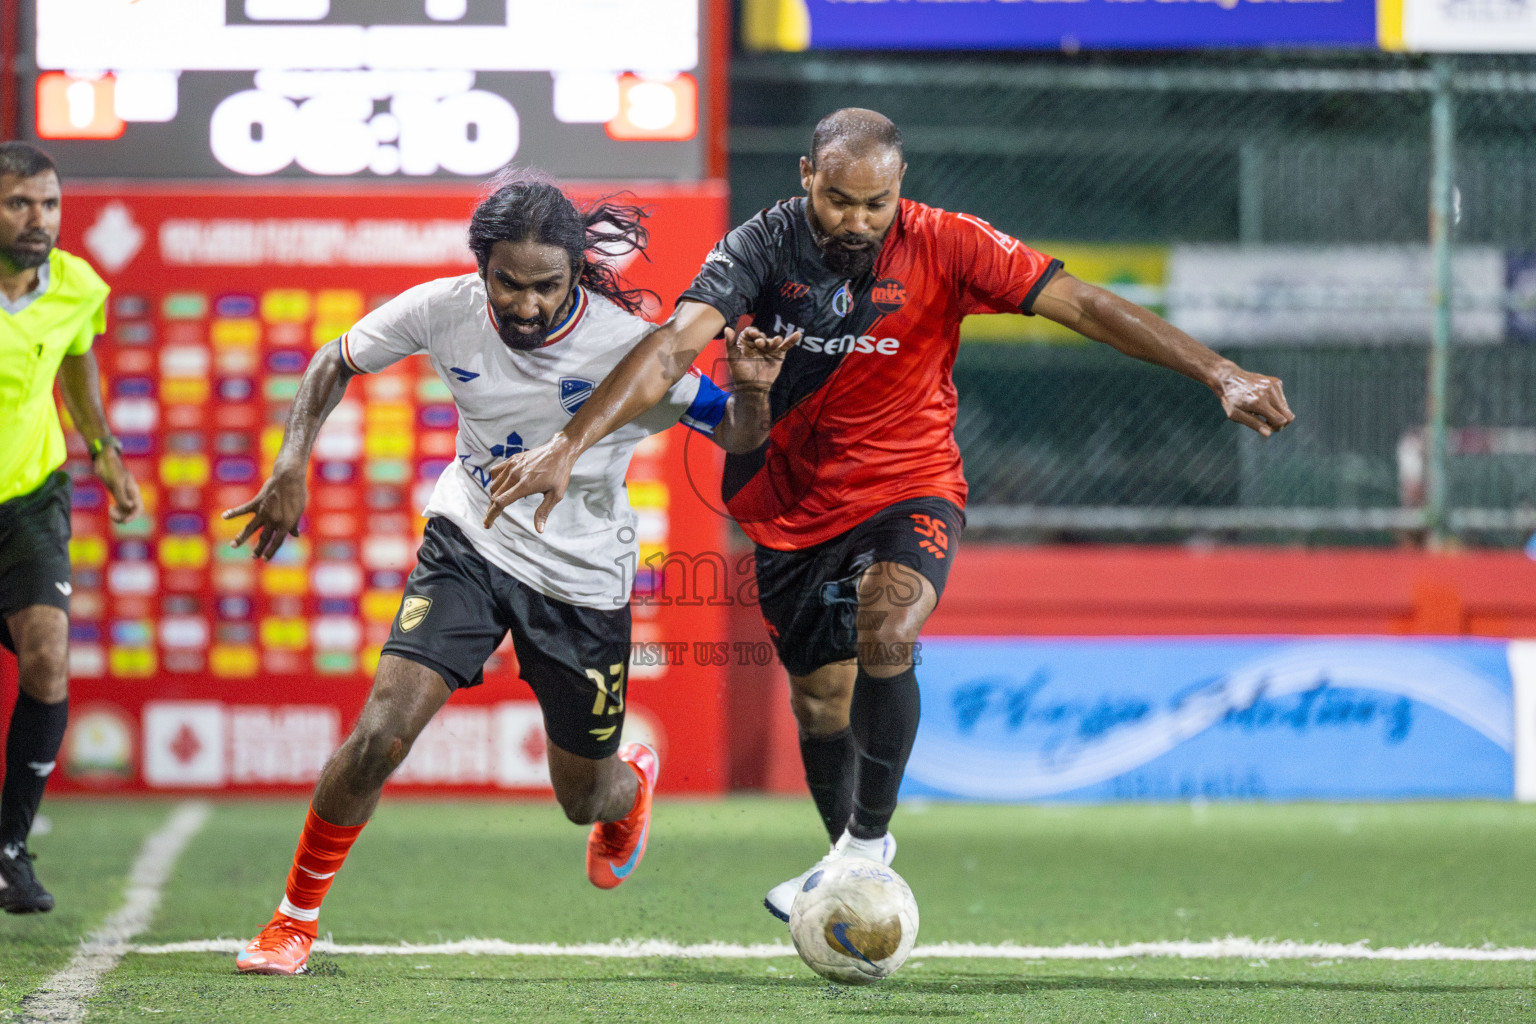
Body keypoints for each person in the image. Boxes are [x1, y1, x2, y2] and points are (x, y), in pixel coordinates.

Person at [482, 109, 1296, 922]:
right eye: (839, 200)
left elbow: (1080, 305)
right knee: (819, 706)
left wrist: (1218, 372)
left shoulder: (950, 242)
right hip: (791, 506)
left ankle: (867, 849)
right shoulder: (758, 249)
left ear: (899, 188)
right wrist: (568, 443)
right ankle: (848, 865)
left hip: (912, 485)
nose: (859, 220)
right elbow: (667, 350)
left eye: (877, 204)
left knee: (890, 621)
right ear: (807, 176)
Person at [224, 172, 789, 975]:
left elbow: (733, 431)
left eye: (546, 287)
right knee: (382, 733)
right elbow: (332, 361)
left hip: (581, 578)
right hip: (470, 542)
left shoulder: (626, 344)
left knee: (580, 801)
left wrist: (757, 395)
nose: (525, 305)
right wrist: (290, 463)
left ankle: (628, 788)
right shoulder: (443, 308)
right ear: (482, 268)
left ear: (574, 273)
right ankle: (292, 920)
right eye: (508, 284)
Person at [0, 142, 143, 914]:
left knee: (48, 659)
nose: (38, 220)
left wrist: (105, 451)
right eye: (19, 203)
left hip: (29, 501)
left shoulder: (77, 285)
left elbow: (77, 362)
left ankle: (9, 851)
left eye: (49, 203)